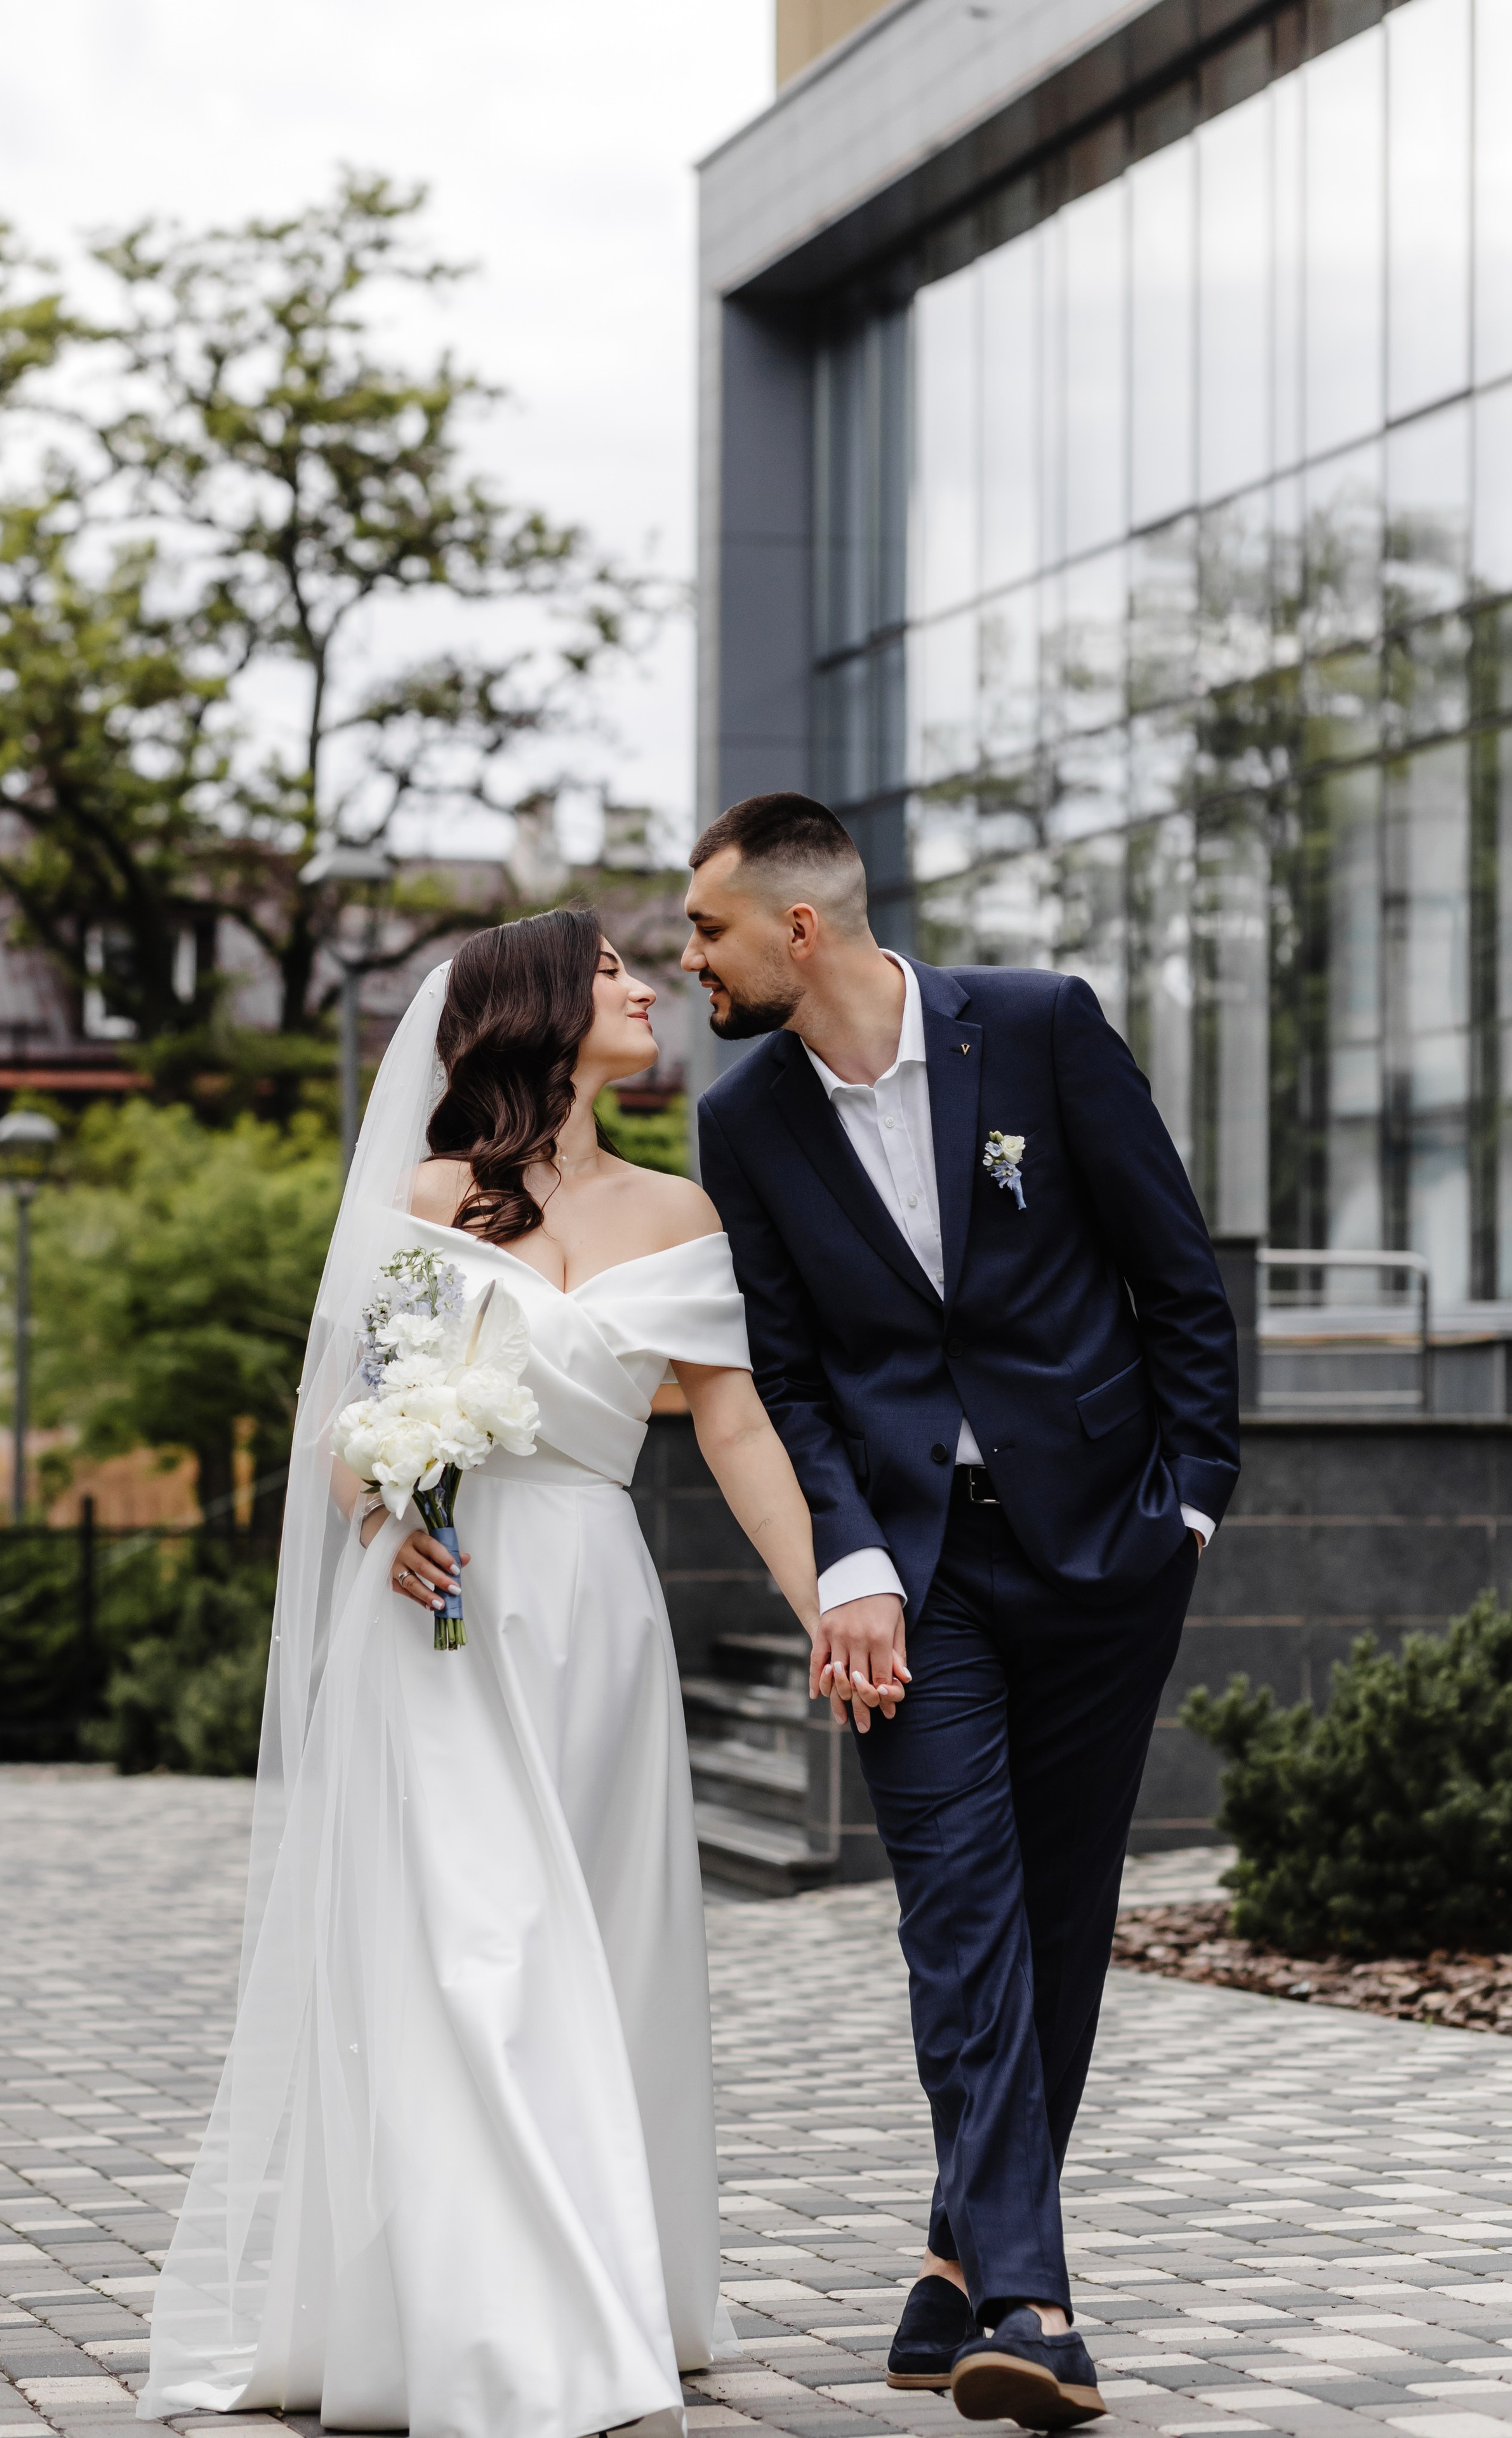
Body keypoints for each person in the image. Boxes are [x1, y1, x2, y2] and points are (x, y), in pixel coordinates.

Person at [138, 907, 824, 2438]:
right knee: (476, 1953)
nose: (645, 987)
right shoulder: (427, 1197)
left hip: (596, 1609)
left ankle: (604, 2274)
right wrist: (383, 1512)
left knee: (595, 1942)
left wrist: (833, 1599)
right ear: (532, 1008)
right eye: (608, 970)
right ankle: (498, 2324)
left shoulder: (680, 1215)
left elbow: (735, 1434)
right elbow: (350, 1425)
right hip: (443, 1613)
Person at [686, 794, 1240, 2430]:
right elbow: (784, 1379)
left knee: (1062, 1916)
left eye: (707, 931)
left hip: (1099, 1554)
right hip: (908, 1585)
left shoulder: (1039, 1027)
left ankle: (949, 2263)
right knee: (957, 1910)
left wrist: (1188, 1505)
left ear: (800, 928)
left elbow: (1175, 1279)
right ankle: (1028, 2303)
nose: (689, 961)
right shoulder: (746, 1121)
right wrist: (845, 1559)